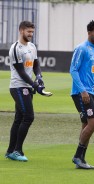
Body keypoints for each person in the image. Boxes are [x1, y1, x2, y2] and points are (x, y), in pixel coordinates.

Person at [5, 21, 46, 162]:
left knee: (19, 119)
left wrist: (39, 77)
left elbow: (36, 65)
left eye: (32, 32)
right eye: (28, 32)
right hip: (18, 87)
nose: (31, 35)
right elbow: (21, 72)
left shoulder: (32, 46)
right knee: (29, 117)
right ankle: (17, 150)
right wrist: (34, 85)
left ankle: (10, 151)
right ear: (21, 31)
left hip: (27, 87)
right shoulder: (15, 48)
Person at [70, 20, 94, 169]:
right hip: (81, 92)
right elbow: (73, 70)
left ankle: (81, 160)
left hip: (93, 93)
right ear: (89, 32)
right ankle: (77, 156)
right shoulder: (81, 48)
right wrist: (83, 91)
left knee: (86, 124)